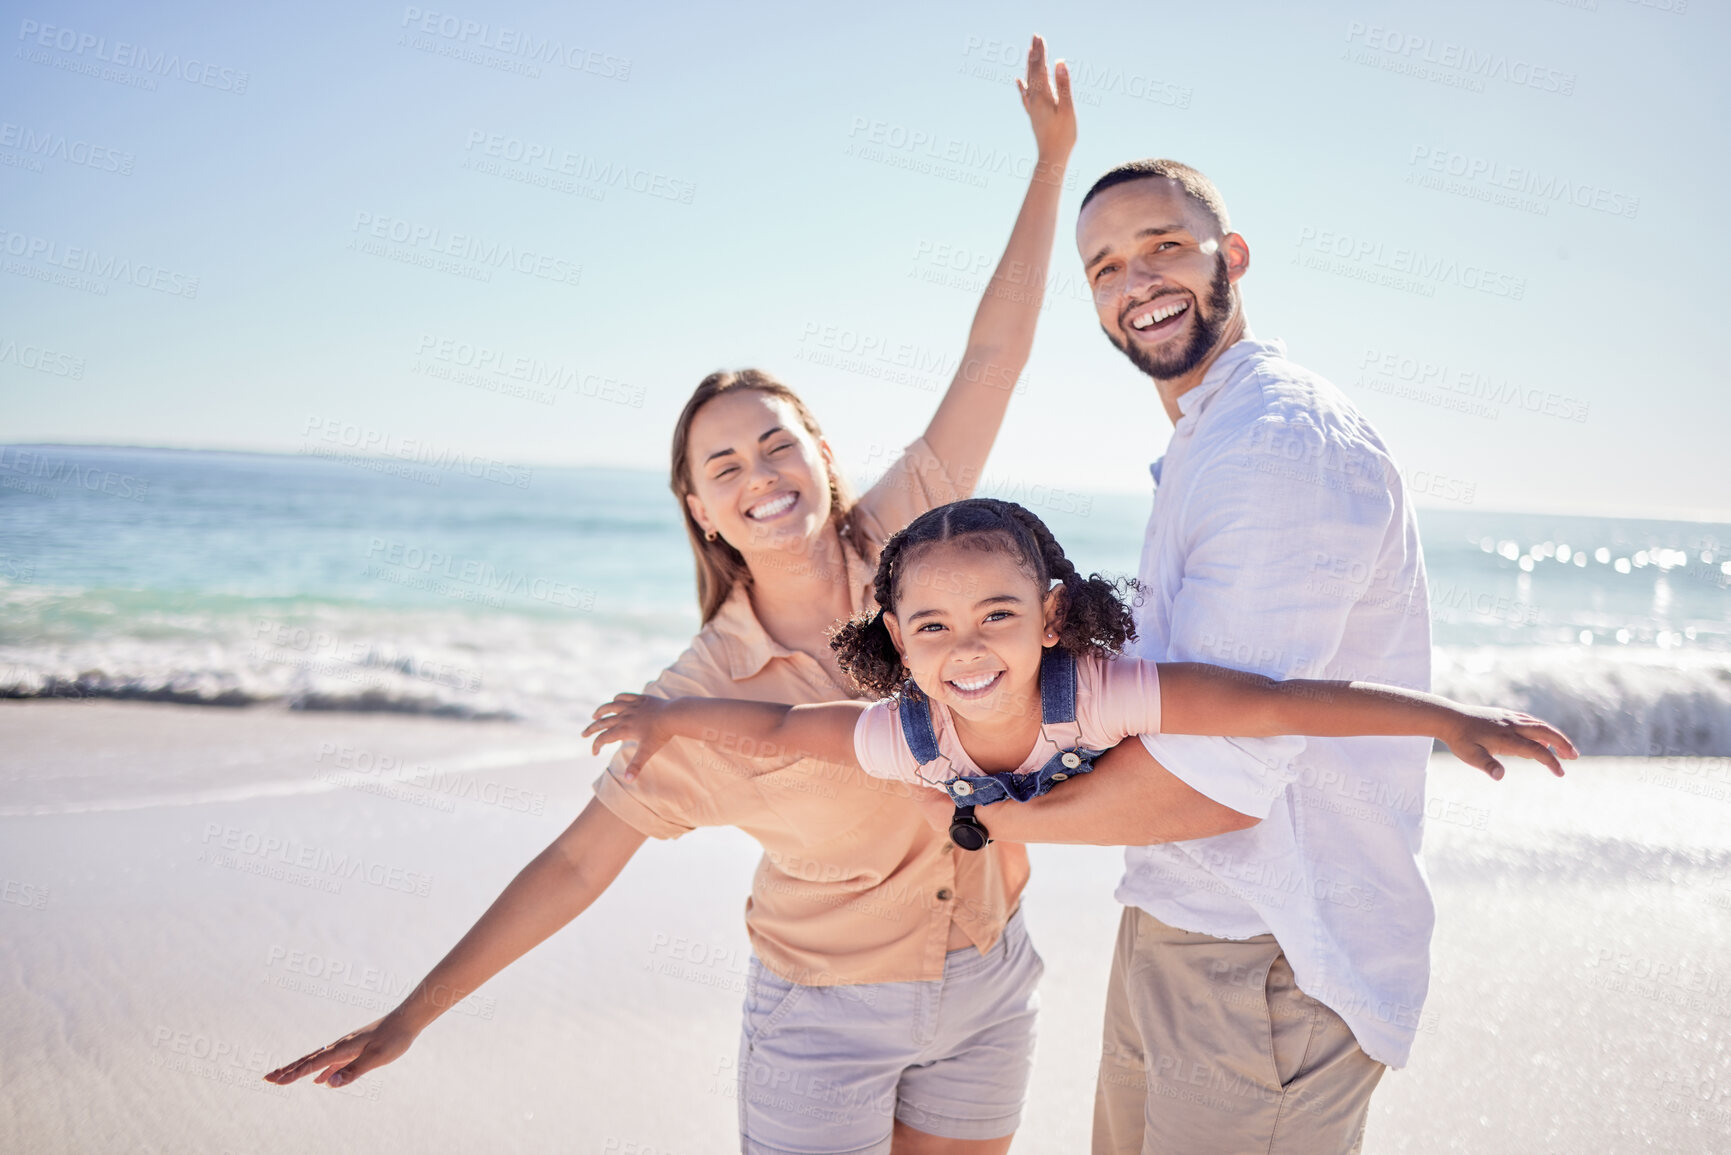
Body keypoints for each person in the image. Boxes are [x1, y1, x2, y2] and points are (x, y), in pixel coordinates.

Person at [265, 36, 1084, 1155]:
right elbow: (573, 864)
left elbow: (993, 354)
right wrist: (415, 1012)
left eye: (775, 445)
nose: (761, 477)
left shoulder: (905, 545)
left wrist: (1048, 166)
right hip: (825, 1017)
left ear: (821, 455)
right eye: (725, 467)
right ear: (700, 509)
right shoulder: (700, 694)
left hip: (990, 978)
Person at [906, 160, 1540, 1154]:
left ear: (1230, 258)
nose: (1138, 282)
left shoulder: (1276, 447)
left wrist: (993, 820)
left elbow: (1219, 777)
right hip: (1180, 921)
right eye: (1106, 267)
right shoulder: (1208, 442)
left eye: (1163, 246)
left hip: (1271, 959)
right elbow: (1170, 708)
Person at [585, 498, 1573, 836]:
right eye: (930, 628)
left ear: (1051, 618)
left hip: (1092, 790)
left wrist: (1445, 719)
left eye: (999, 616)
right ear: (891, 636)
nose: (967, 649)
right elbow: (779, 730)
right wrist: (667, 718)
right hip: (978, 807)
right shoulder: (902, 736)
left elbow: (1272, 707)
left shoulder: (1099, 689)